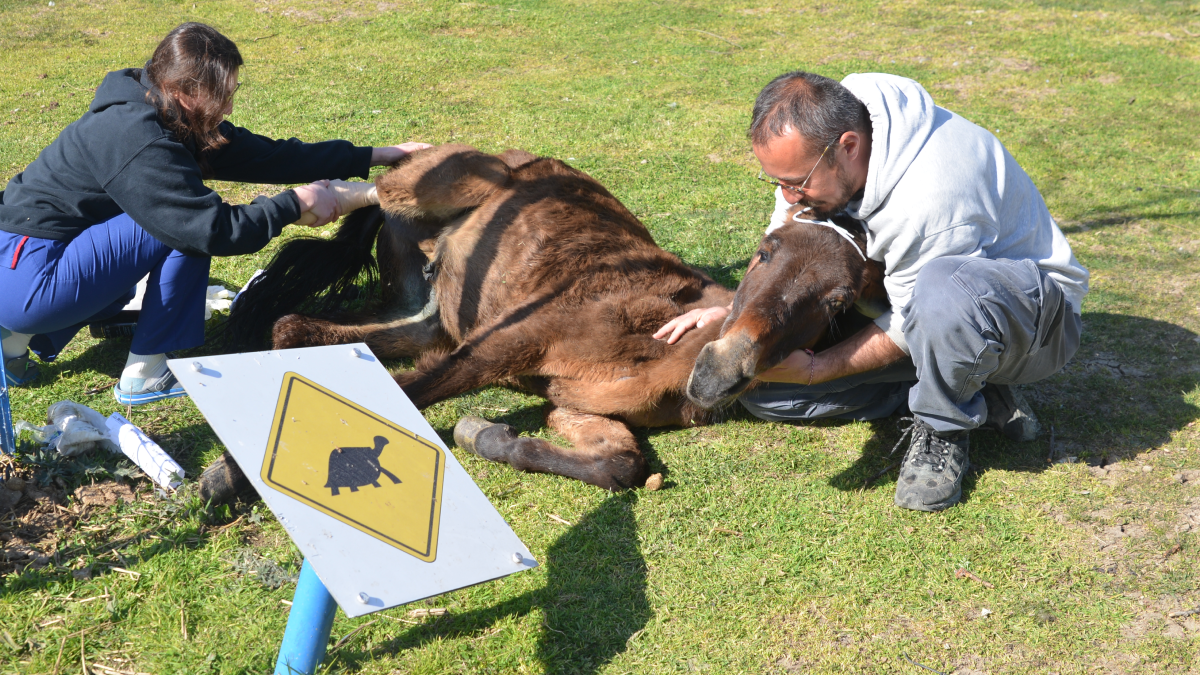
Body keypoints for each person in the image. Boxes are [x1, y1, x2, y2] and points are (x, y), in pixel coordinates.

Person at [655, 71, 1089, 512]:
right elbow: (790, 234)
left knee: (942, 289)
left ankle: (944, 425)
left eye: (796, 182)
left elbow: (912, 316)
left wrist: (820, 368)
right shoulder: (828, 136)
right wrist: (735, 308)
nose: (788, 194)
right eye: (777, 182)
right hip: (927, 307)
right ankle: (970, 390)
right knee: (768, 393)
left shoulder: (932, 196)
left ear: (847, 147)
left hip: (1031, 323)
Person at [0, 22, 429, 404]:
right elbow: (212, 231)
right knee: (181, 229)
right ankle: (144, 375)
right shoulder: (138, 138)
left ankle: (11, 346)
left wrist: (377, 155)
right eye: (221, 97)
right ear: (185, 91)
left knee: (168, 218)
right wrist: (293, 205)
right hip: (29, 277)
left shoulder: (159, 106)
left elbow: (267, 157)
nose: (227, 108)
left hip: (18, 262)